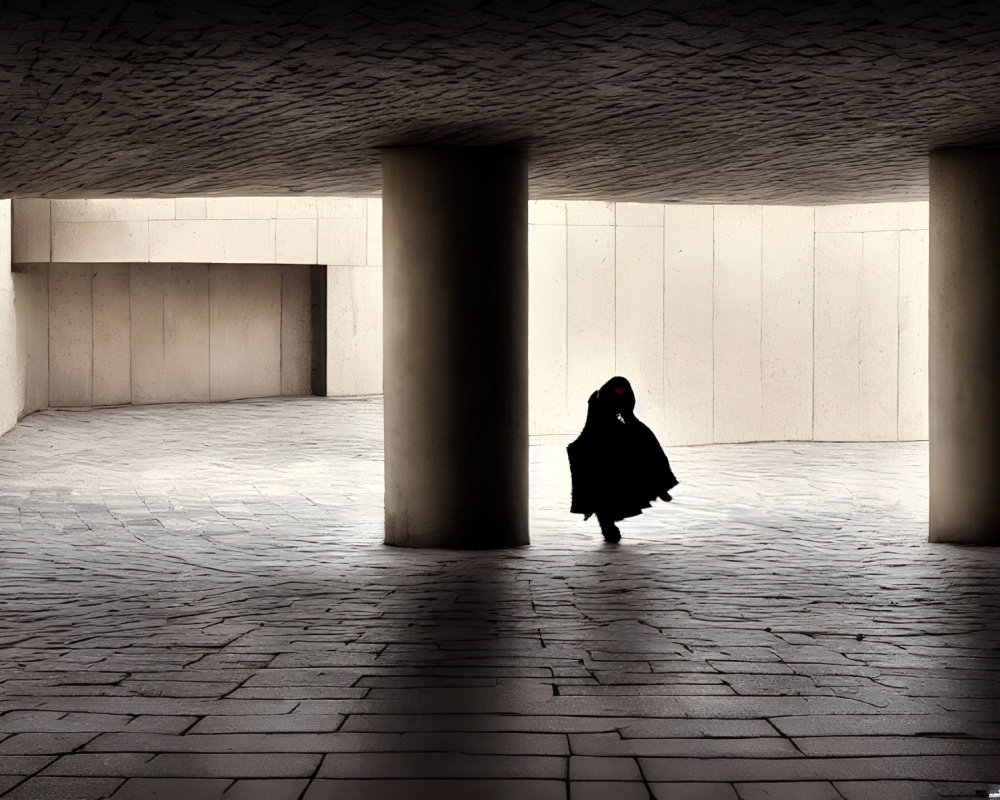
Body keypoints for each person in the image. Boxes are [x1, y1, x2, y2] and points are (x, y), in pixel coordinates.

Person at [567, 376, 678, 543]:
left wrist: (630, 428)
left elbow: (628, 415)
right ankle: (609, 524)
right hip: (597, 444)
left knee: (643, 443)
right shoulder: (597, 402)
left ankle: (655, 485)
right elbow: (593, 427)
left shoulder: (613, 400)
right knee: (601, 488)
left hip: (608, 442)